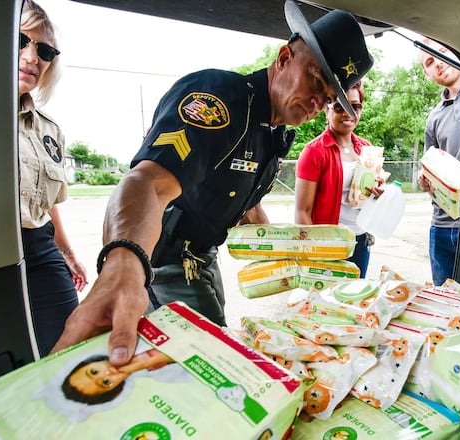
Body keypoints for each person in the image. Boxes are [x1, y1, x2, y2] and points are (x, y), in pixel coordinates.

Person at [52, 1, 373, 368]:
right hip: (162, 259)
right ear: (284, 57)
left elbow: (244, 202)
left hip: (203, 257)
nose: (319, 102)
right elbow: (147, 182)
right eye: (316, 80)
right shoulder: (222, 99)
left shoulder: (272, 131)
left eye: (330, 97)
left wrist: (287, 259)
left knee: (215, 345)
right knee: (213, 364)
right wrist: (123, 265)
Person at [19, 0, 88, 357]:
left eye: (43, 49)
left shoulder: (50, 131)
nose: (32, 57)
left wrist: (67, 252)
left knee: (67, 351)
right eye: (21, 41)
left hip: (39, 249)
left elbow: (45, 205)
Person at [295, 81, 383, 277]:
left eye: (355, 106)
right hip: (328, 244)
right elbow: (303, 211)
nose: (348, 113)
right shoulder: (313, 152)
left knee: (355, 299)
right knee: (326, 304)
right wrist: (312, 254)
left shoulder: (366, 148)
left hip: (361, 240)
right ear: (327, 110)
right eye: (339, 106)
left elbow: (368, 198)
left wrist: (377, 193)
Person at [417, 38, 460, 286]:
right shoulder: (434, 118)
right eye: (429, 61)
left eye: (442, 52)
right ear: (426, 73)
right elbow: (430, 164)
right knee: (445, 301)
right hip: (440, 226)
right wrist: (425, 181)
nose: (437, 63)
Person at [61, 348, 173, 404]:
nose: (108, 373)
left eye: (94, 372)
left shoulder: (119, 345)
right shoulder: (159, 375)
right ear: (116, 388)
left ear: (93, 362)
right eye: (106, 382)